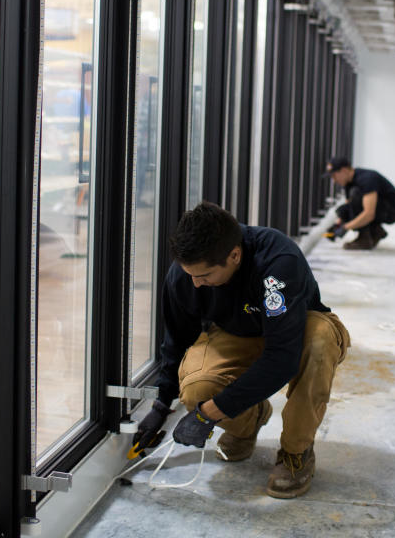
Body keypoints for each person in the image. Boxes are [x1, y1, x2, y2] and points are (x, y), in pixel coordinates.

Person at [132, 202, 351, 498]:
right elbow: (176, 341)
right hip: (236, 332)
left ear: (234, 256)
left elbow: (281, 360)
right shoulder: (185, 276)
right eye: (190, 274)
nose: (196, 284)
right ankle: (249, 419)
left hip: (296, 330)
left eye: (205, 276)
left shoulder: (277, 262)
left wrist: (208, 414)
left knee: (320, 341)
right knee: (197, 388)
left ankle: (295, 453)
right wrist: (160, 405)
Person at [324, 157, 395, 250]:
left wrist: (345, 227)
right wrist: (337, 226)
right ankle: (376, 231)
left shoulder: (366, 179)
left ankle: (365, 239)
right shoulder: (349, 183)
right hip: (379, 208)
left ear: (344, 170)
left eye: (334, 175)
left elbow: (369, 214)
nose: (334, 180)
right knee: (343, 210)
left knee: (356, 194)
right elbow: (348, 208)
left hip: (392, 211)